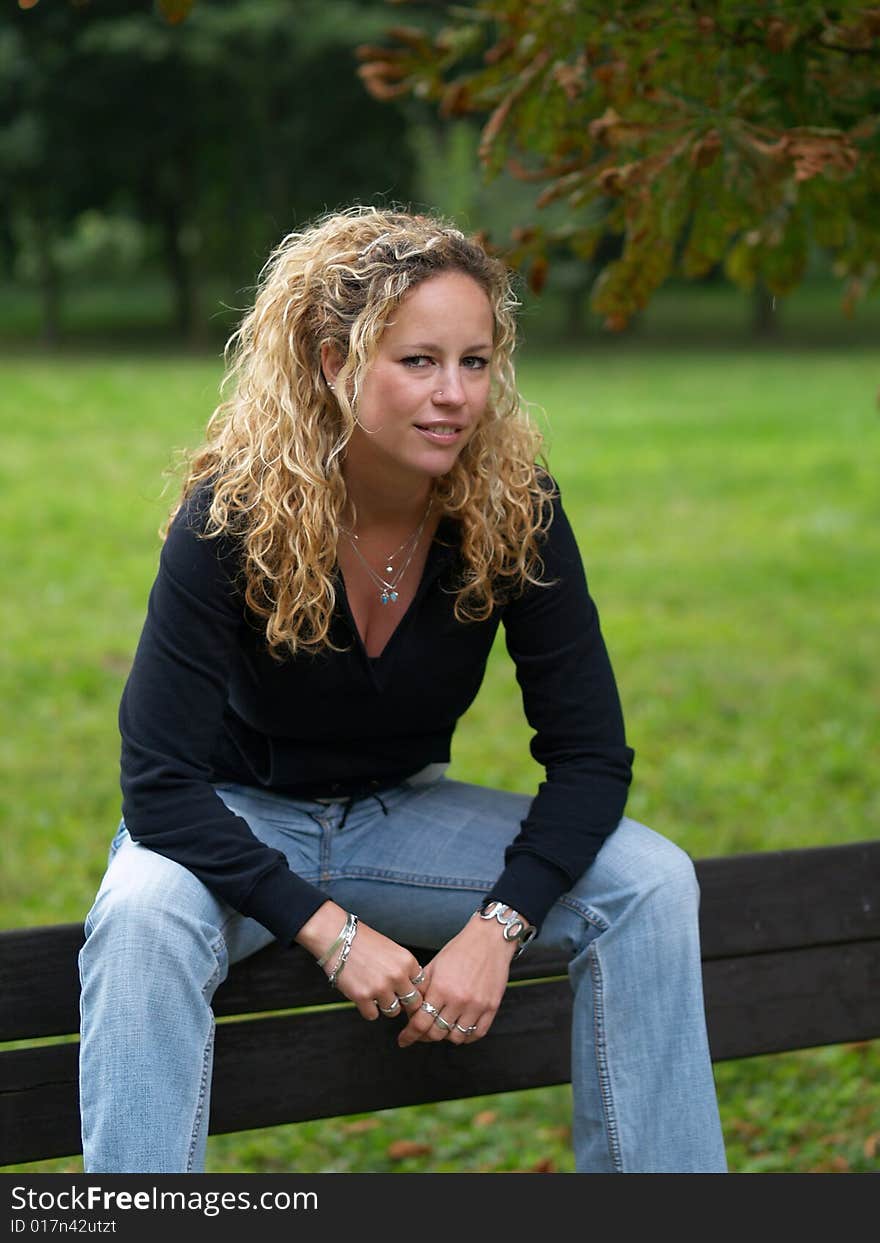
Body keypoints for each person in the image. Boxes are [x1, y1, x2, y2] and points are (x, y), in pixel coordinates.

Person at [77, 205, 727, 1175]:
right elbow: (159, 785)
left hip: (399, 819)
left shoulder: (514, 509)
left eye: (474, 361)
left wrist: (494, 928)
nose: (454, 394)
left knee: (649, 881)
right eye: (418, 361)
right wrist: (331, 932)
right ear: (337, 363)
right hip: (228, 820)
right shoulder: (233, 515)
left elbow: (590, 756)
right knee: (138, 923)